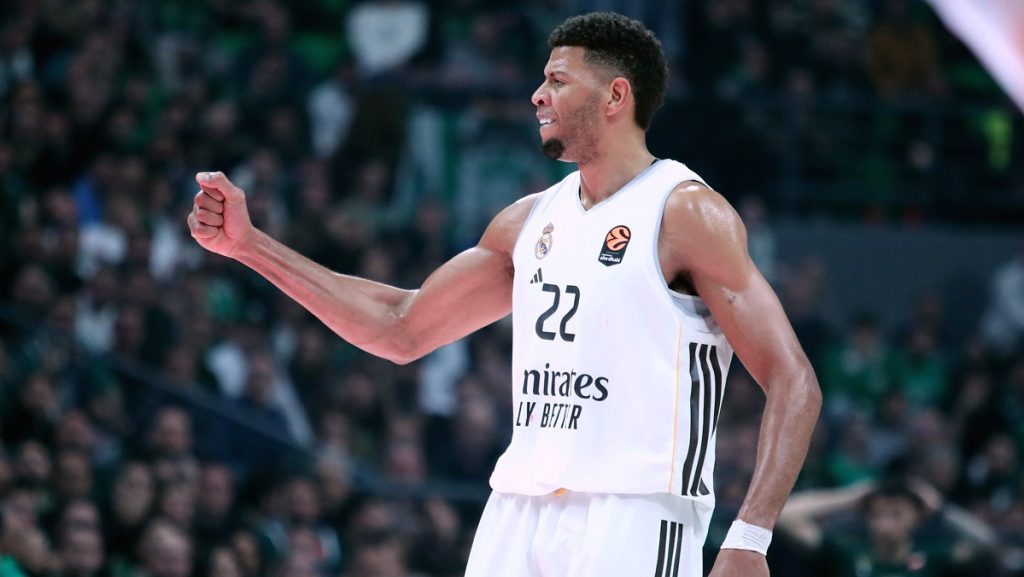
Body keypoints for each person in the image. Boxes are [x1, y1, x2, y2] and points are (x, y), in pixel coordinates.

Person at [187, 12, 821, 577]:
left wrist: (750, 537)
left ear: (615, 96)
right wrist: (250, 247)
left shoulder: (684, 213)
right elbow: (400, 327)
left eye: (558, 81)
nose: (537, 95)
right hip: (518, 509)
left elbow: (794, 380)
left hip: (634, 513)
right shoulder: (528, 221)